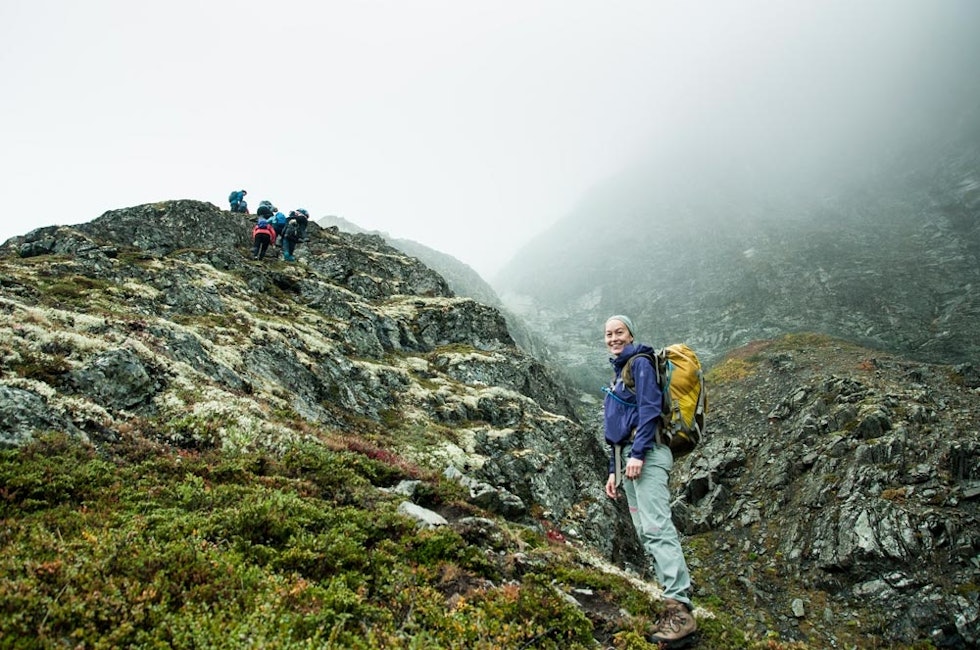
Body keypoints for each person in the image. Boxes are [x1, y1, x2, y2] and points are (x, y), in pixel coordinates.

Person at [602, 314, 697, 648]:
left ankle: (680, 612)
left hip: (647, 456)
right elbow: (618, 427)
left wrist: (639, 454)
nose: (614, 338)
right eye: (608, 334)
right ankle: (670, 604)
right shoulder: (620, 373)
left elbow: (650, 409)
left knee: (657, 527)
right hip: (628, 460)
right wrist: (614, 470)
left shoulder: (640, 363)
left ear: (631, 335)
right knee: (645, 531)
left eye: (619, 332)